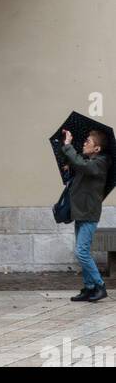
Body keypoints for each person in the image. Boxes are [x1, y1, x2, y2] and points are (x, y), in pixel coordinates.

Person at [62, 127, 110, 303]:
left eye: (88, 141)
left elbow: (84, 166)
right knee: (84, 251)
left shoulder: (101, 162)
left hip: (89, 213)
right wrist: (69, 167)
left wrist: (68, 145)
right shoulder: (88, 161)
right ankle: (89, 288)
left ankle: (99, 286)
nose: (84, 143)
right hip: (80, 212)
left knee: (81, 252)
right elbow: (79, 169)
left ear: (97, 148)